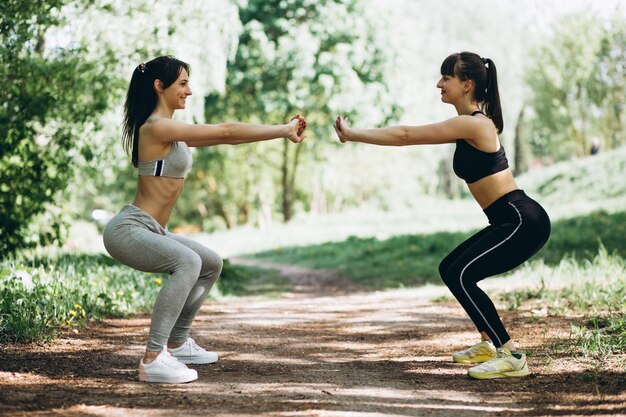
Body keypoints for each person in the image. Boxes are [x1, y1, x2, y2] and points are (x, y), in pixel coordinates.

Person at [333, 51, 550, 379]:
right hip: (508, 220)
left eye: (445, 78)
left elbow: (406, 136)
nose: (439, 83)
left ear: (467, 85)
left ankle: (511, 354)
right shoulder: (469, 125)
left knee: (462, 273)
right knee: (450, 268)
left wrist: (354, 134)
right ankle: (488, 342)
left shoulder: (476, 124)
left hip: (521, 220)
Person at [103, 55, 306, 384]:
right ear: (159, 87)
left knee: (209, 262)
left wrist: (280, 133)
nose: (189, 91)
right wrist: (283, 129)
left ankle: (177, 343)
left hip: (151, 228)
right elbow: (226, 130)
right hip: (129, 229)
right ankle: (154, 358)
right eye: (182, 83)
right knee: (187, 262)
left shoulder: (173, 131)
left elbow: (230, 136)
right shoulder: (156, 127)